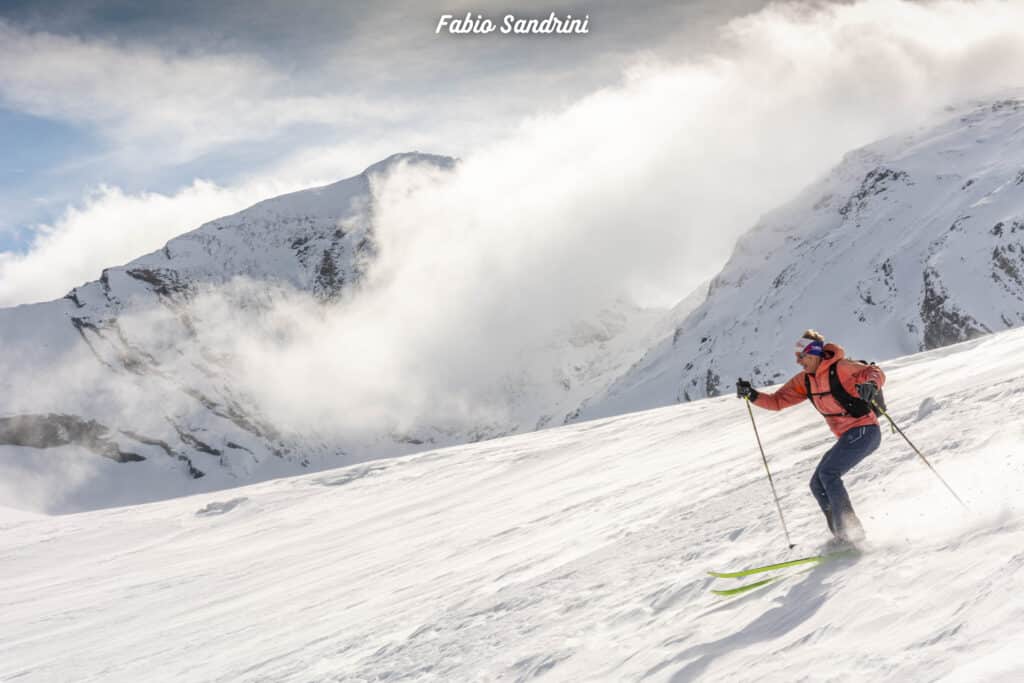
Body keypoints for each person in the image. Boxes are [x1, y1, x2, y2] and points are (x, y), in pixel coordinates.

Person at [736, 329, 885, 545]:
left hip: (865, 430)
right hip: (848, 436)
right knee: (817, 483)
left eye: (801, 356)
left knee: (828, 473)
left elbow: (874, 372)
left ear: (813, 353)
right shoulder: (805, 381)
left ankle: (852, 532)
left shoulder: (841, 368)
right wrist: (752, 395)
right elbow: (777, 401)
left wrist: (871, 385)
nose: (798, 361)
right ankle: (841, 535)